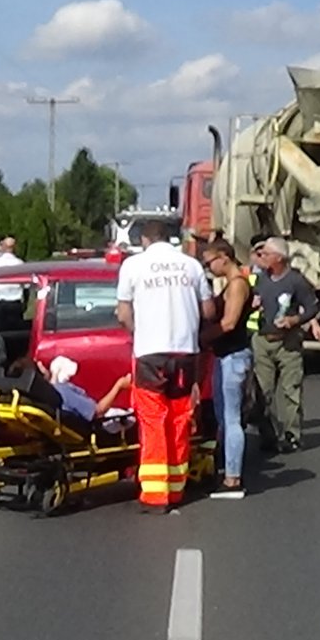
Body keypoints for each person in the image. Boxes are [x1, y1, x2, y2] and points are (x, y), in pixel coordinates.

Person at [116, 219, 216, 514]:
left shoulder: (133, 266)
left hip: (150, 354)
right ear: (169, 238)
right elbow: (208, 310)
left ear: (144, 240)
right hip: (185, 353)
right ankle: (175, 488)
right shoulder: (191, 266)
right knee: (179, 419)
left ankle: (155, 495)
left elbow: (123, 314)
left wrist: (138, 332)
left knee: (153, 420)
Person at [251, 236, 320, 454]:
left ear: (279, 258)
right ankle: (268, 435)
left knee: (291, 390)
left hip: (288, 342)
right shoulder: (260, 279)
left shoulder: (296, 281)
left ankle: (292, 435)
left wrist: (295, 320)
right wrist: (253, 304)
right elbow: (250, 299)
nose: (261, 257)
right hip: (262, 340)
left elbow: (312, 307)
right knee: (263, 391)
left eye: (265, 254)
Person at [201, 239, 254, 495]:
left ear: (224, 257)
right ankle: (226, 469)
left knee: (232, 418)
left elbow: (230, 322)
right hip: (225, 356)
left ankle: (233, 478)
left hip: (234, 356)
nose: (209, 268)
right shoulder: (230, 285)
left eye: (210, 262)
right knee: (224, 416)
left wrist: (202, 338)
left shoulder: (237, 285)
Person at [44, 355, 132, 422]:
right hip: (96, 428)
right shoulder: (63, 391)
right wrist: (119, 386)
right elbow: (98, 411)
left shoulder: (50, 394)